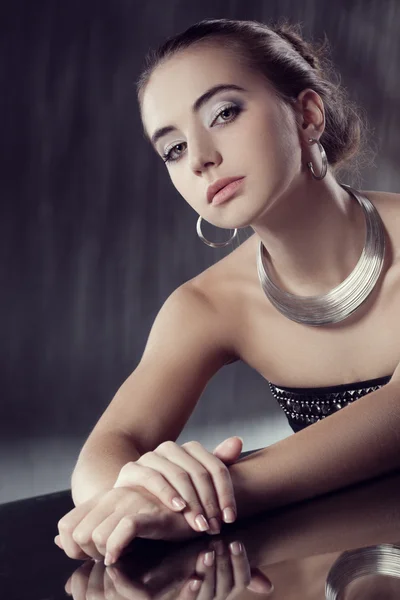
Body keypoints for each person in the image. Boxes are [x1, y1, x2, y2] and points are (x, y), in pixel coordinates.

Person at [55, 17, 400, 577]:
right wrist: (146, 490)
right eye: (172, 149)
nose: (200, 158)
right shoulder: (207, 305)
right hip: (345, 559)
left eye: (224, 113)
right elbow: (102, 459)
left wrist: (213, 494)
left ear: (307, 115)